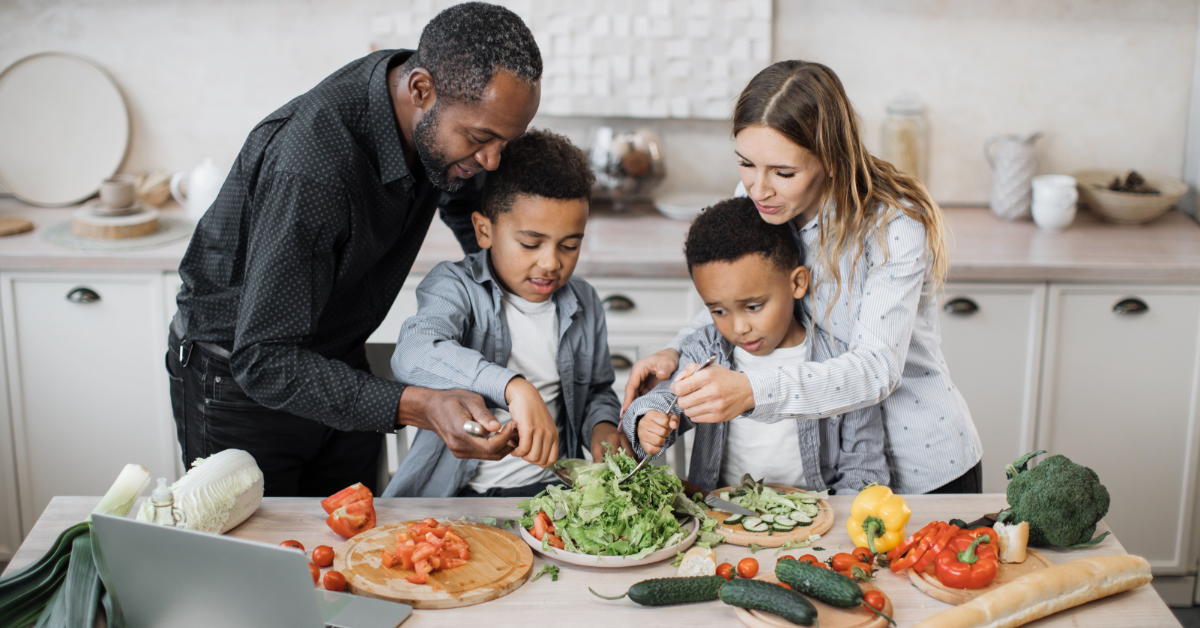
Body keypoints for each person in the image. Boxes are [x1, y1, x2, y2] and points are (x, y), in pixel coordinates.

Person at [167, 2, 543, 497]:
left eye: (505, 141)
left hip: (337, 360)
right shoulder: (314, 166)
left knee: (359, 552)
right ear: (421, 90)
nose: (492, 159)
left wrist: (520, 297)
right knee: (263, 566)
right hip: (240, 385)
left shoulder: (435, 109)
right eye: (480, 139)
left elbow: (470, 211)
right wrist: (421, 405)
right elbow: (263, 358)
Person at [622, 60, 983, 495]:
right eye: (746, 164)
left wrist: (753, 389)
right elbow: (739, 294)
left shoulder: (893, 225)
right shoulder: (765, 201)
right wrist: (675, 349)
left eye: (783, 172)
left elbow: (876, 371)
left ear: (830, 158)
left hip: (921, 467)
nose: (758, 188)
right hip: (836, 471)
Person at [382, 129, 630, 498]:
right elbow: (413, 352)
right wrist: (514, 387)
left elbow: (597, 390)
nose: (550, 263)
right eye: (531, 243)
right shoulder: (455, 285)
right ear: (484, 230)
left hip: (553, 493)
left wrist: (604, 428)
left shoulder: (584, 301)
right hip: (458, 496)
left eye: (570, 245)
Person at [622, 197, 888, 493]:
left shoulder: (838, 363)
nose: (739, 328)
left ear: (797, 283)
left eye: (753, 306)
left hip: (817, 520)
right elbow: (665, 399)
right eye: (718, 311)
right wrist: (648, 421)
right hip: (721, 515)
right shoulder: (708, 348)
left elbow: (864, 468)